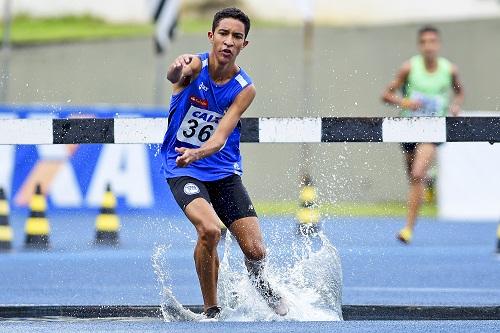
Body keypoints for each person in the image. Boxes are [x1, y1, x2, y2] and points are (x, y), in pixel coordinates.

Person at [160, 7, 288, 319]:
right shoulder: (194, 66)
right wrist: (176, 69)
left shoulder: (245, 88)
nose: (228, 41)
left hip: (222, 170)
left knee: (256, 252)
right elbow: (174, 76)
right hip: (182, 167)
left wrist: (199, 151)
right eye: (223, 34)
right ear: (211, 36)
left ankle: (260, 281)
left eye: (237, 36)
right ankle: (211, 310)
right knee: (210, 230)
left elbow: (219, 137)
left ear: (244, 44)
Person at [381, 25, 464, 244]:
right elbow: (386, 95)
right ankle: (429, 182)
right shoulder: (409, 68)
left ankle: (408, 229)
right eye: (424, 42)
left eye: (432, 42)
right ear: (420, 45)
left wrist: (456, 105)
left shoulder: (449, 70)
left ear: (438, 44)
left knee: (417, 173)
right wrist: (404, 101)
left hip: (433, 128)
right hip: (409, 127)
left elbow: (459, 92)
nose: (429, 46)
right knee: (413, 177)